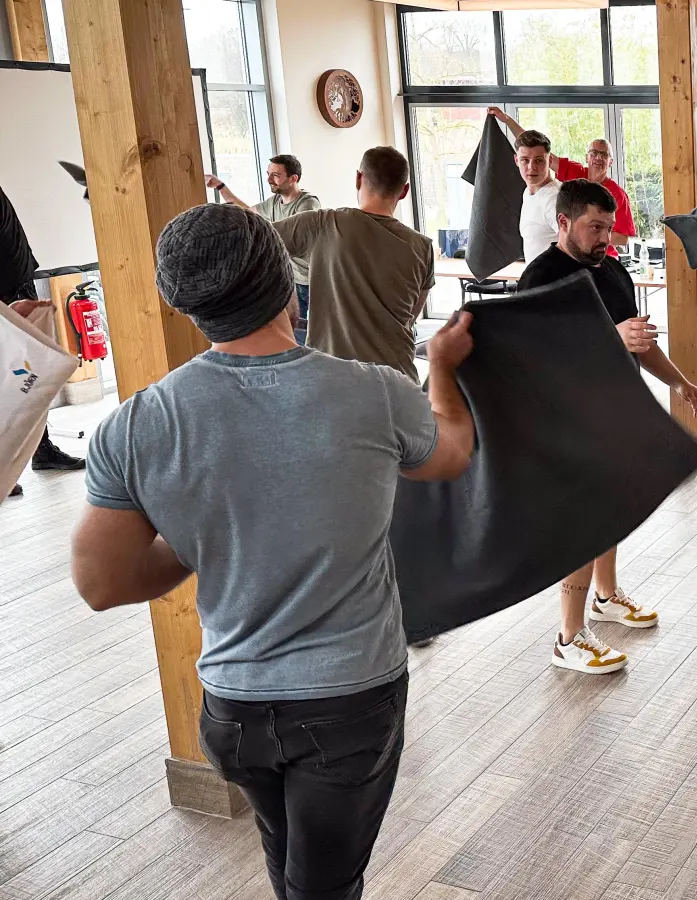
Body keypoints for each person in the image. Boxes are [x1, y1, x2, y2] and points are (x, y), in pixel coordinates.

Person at [70, 203, 477, 900]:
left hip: (233, 706)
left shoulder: (137, 424)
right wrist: (441, 367)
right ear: (287, 285)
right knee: (325, 883)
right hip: (348, 702)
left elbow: (102, 583)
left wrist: (205, 535)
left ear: (184, 303)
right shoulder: (374, 394)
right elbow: (451, 455)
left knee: (290, 860)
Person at [518, 180, 697, 675]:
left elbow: (637, 342)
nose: (606, 237)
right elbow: (530, 357)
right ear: (563, 223)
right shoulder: (541, 278)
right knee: (585, 522)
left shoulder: (613, 270)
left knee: (611, 509)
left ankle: (604, 596)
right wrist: (610, 337)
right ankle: (568, 637)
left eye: (609, 226)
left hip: (612, 412)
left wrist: (681, 383)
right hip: (563, 419)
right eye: (594, 227)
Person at [273, 147, 436, 383]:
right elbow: (410, 317)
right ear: (404, 191)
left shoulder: (322, 224)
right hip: (398, 381)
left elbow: (252, 240)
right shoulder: (423, 247)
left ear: (358, 179)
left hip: (333, 380)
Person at [1, 184, 85, 493]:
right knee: (11, 380)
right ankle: (5, 464)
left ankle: (42, 449)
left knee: (35, 372)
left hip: (19, 275)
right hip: (5, 290)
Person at [488, 108, 636, 258]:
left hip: (602, 259)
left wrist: (594, 231)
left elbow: (622, 238)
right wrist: (507, 120)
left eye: (604, 154)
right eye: (594, 153)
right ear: (587, 157)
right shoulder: (575, 174)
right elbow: (534, 149)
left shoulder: (617, 194)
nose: (598, 158)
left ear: (611, 161)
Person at [206, 156, 321, 341]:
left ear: (293, 178)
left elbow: (290, 237)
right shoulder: (275, 202)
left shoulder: (307, 204)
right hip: (292, 278)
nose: (269, 180)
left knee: (316, 331)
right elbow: (247, 211)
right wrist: (221, 186)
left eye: (275, 175)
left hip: (313, 280)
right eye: (268, 174)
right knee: (295, 330)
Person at [513, 128, 561, 262]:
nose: (531, 167)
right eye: (525, 160)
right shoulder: (528, 192)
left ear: (550, 160)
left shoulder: (554, 198)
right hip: (536, 280)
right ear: (516, 160)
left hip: (553, 282)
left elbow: (577, 246)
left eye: (539, 160)